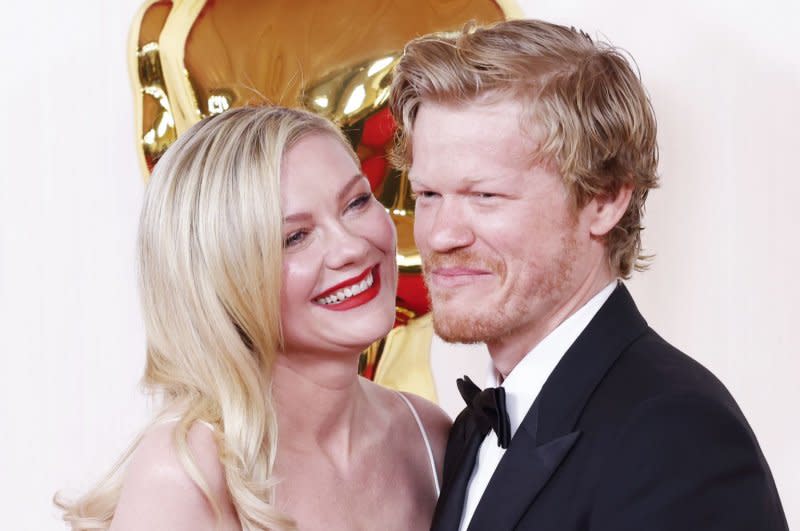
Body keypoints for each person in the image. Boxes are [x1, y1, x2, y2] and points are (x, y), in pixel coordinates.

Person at [389, 19, 789, 531]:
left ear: (603, 200)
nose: (441, 236)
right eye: (428, 195)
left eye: (484, 196)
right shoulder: (471, 431)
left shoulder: (676, 436)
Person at [55, 106, 450, 530]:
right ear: (222, 280)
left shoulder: (428, 435)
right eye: (294, 237)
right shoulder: (186, 475)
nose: (350, 247)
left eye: (356, 202)